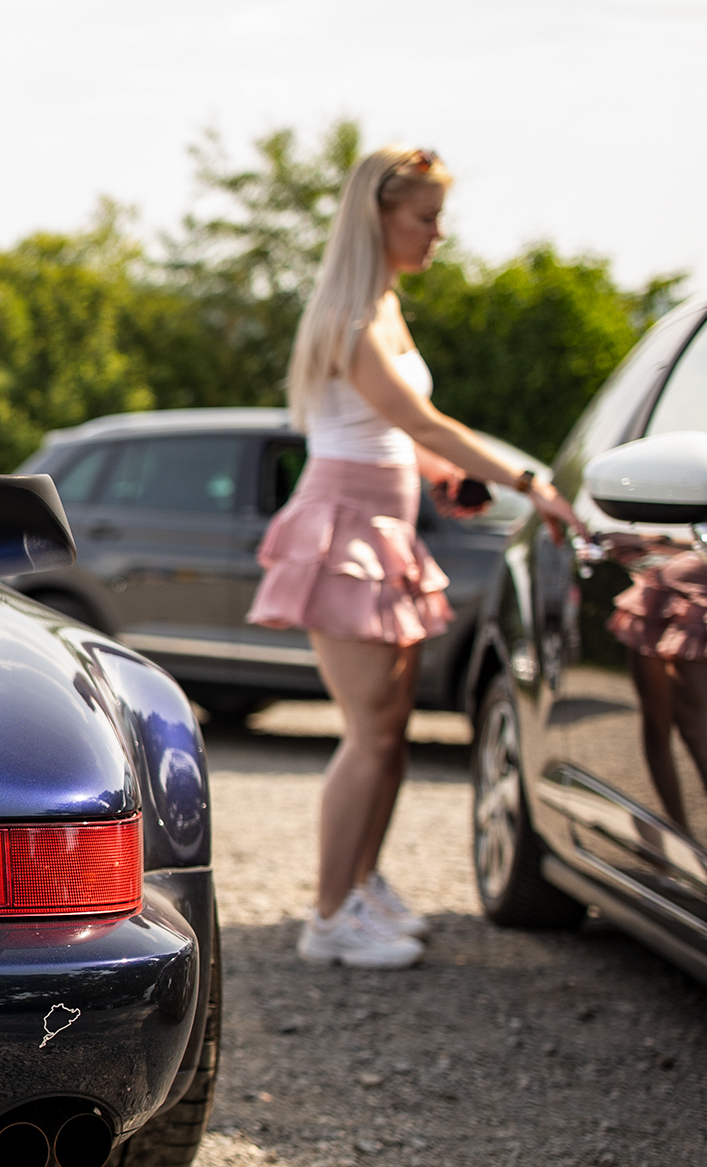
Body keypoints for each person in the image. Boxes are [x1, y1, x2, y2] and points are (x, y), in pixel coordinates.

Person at [247, 147, 578, 969]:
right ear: (378, 220)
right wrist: (528, 480)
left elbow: (403, 437)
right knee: (367, 733)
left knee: (391, 732)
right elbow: (423, 422)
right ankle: (327, 917)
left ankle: (359, 883)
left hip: (387, 528)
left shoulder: (388, 307)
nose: (438, 234)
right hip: (345, 529)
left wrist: (447, 479)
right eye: (423, 218)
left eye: (438, 216)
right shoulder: (352, 320)